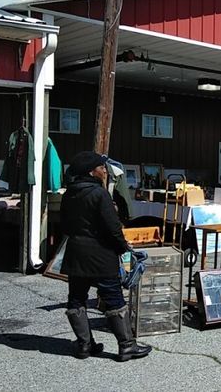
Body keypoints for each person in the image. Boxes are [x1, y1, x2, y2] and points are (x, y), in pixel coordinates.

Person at [61, 151, 151, 362]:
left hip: (76, 253)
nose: (105, 171)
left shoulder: (69, 194)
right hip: (101, 254)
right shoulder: (99, 194)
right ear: (91, 172)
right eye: (102, 167)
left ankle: (84, 345)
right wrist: (123, 248)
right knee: (113, 298)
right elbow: (113, 228)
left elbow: (64, 225)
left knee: (76, 298)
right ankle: (127, 346)